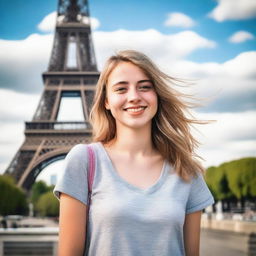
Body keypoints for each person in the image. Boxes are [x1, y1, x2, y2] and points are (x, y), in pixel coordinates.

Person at [53, 50, 214, 256]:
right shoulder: (85, 160)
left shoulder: (186, 171)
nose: (134, 97)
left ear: (157, 95)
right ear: (106, 101)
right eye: (121, 89)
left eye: (145, 87)